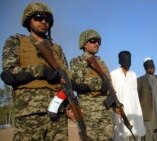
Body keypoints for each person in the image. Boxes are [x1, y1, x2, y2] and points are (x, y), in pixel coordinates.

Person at [0, 2, 68, 140]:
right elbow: (9, 74)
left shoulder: (57, 48)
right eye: (38, 17)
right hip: (29, 113)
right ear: (28, 20)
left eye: (47, 19)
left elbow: (66, 79)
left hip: (57, 113)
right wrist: (40, 70)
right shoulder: (16, 42)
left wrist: (70, 106)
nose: (43, 21)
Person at [70, 29, 114, 140]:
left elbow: (110, 86)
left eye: (98, 42)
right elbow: (77, 82)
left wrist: (116, 103)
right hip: (90, 112)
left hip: (106, 111)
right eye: (93, 41)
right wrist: (99, 85)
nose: (97, 44)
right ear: (84, 43)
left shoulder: (102, 63)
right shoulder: (77, 62)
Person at [110, 50, 146, 141]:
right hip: (120, 110)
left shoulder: (133, 74)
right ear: (120, 61)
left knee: (135, 134)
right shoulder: (113, 74)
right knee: (121, 135)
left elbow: (135, 95)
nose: (128, 64)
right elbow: (111, 93)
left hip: (134, 109)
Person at [137, 57, 157, 141]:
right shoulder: (140, 80)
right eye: (150, 66)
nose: (152, 68)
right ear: (145, 68)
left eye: (153, 66)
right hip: (147, 114)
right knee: (147, 136)